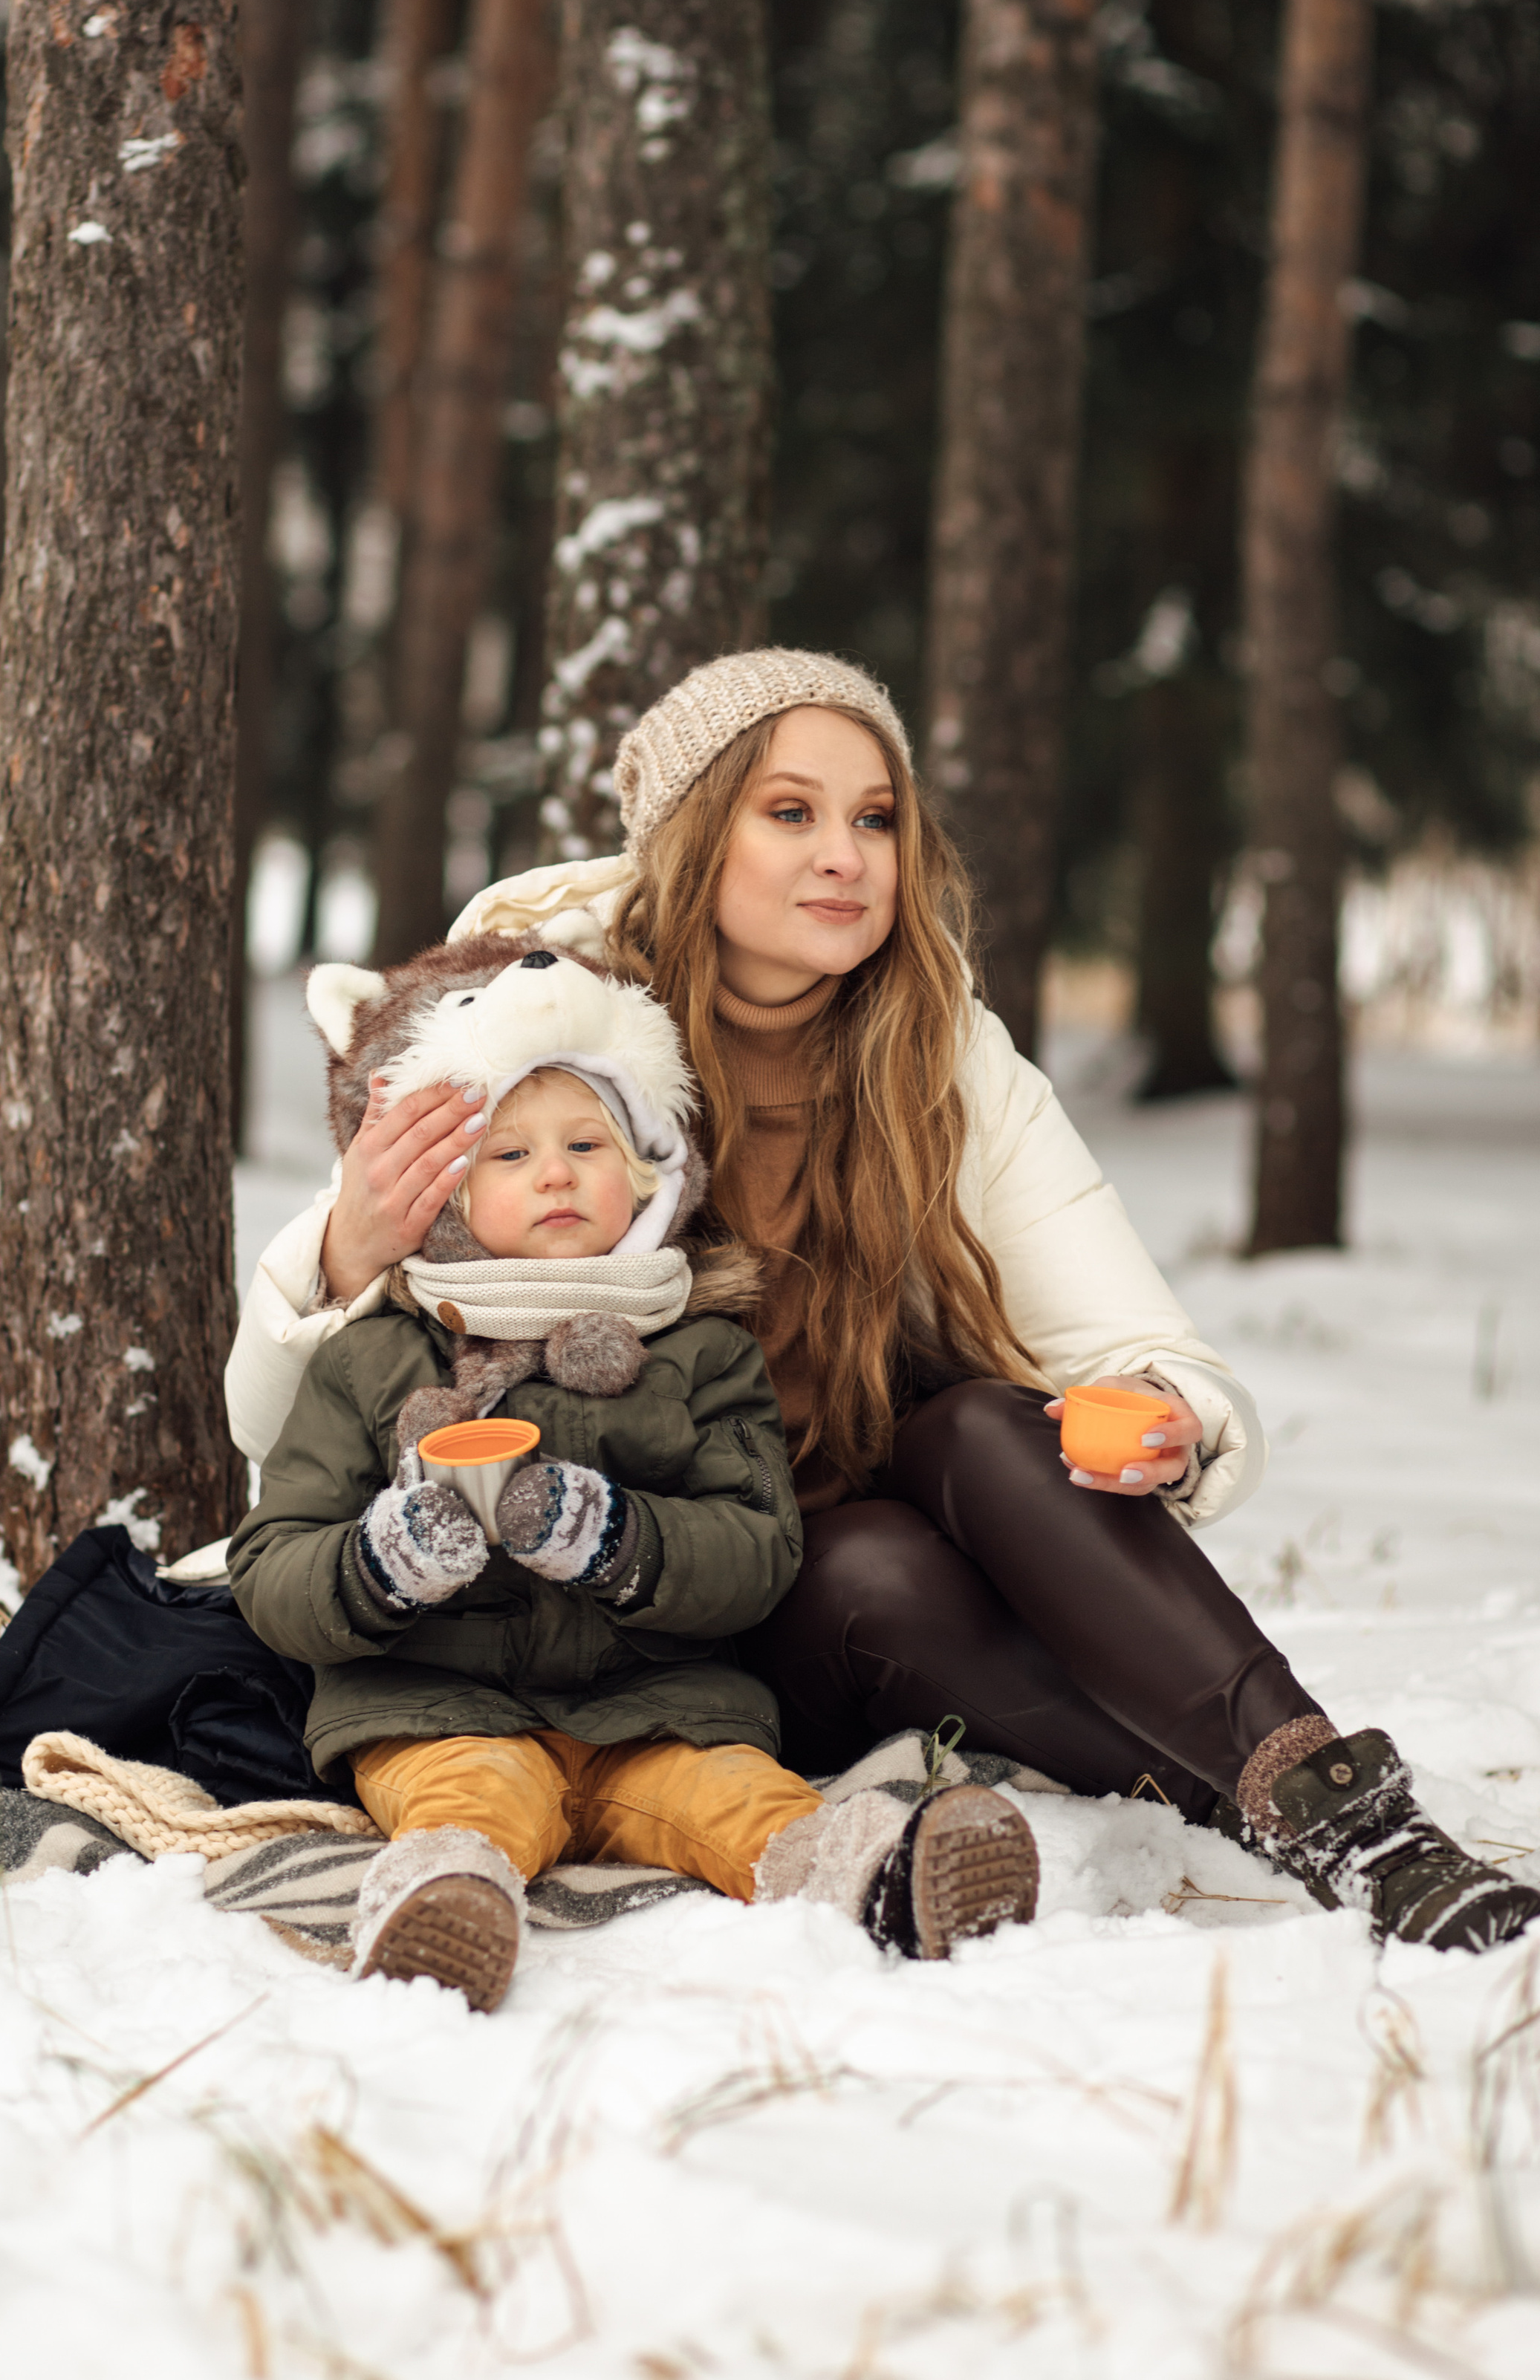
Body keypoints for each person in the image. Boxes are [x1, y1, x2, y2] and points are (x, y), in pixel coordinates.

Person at [229, 650, 1539, 1955]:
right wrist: (348, 1245)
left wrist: (1166, 1412)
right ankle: (1239, 1792)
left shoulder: (937, 1044)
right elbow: (277, 1425)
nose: (846, 855)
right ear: (697, 834)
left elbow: (1135, 1338)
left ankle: (1345, 1818)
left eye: (876, 818)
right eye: (790, 812)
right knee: (877, 1566)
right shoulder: (548, 1030)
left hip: (838, 1539)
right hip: (670, 1640)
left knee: (970, 1432)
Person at [229, 937, 1039, 2011]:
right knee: (469, 1802)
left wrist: (614, 1536)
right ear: (446, 1196)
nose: (554, 1172)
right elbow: (274, 1561)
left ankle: (875, 1872)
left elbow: (757, 1549)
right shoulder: (372, 1355)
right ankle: (443, 1899)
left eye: (584, 1142)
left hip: (661, 1705)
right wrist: (384, 1561)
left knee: (744, 1799)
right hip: (437, 1706)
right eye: (506, 1156)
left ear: (653, 1170)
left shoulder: (702, 1350)